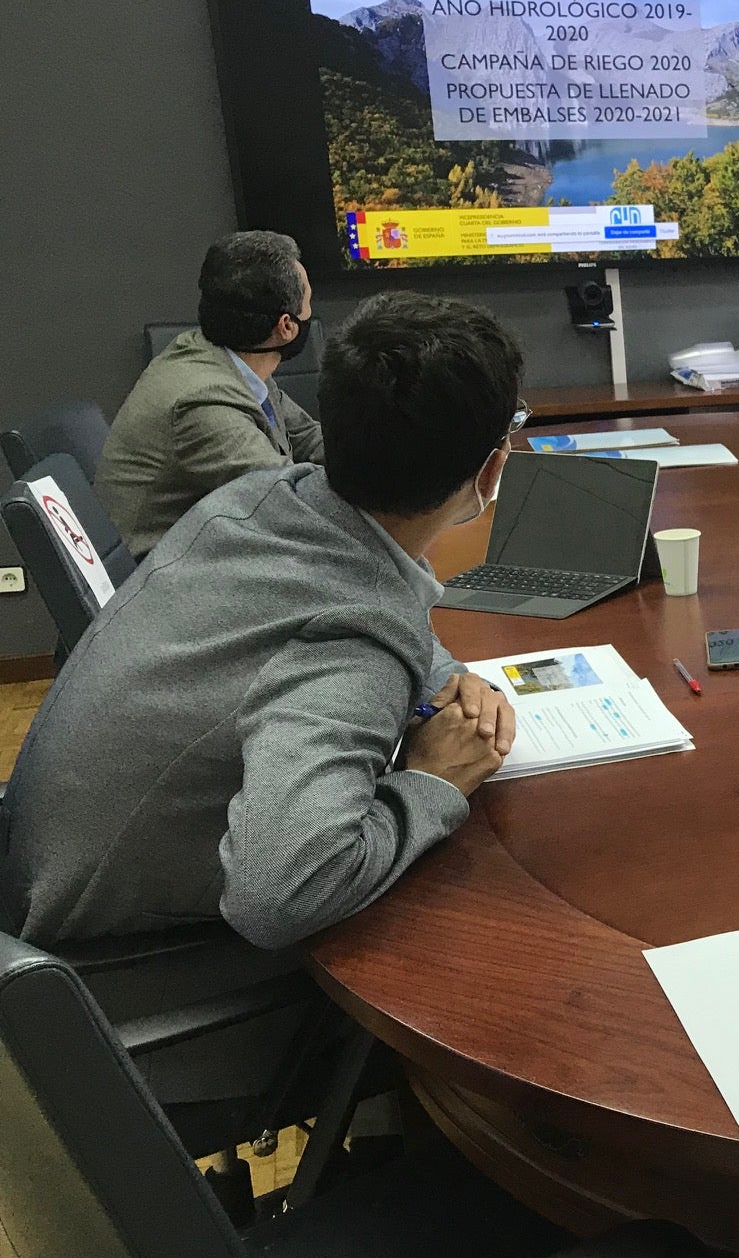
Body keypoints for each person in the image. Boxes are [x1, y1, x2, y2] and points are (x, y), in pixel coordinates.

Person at [3, 291, 525, 954]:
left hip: (45, 877)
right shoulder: (348, 648)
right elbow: (279, 895)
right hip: (110, 967)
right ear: (492, 467)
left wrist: (445, 682)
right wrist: (431, 784)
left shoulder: (259, 500)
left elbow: (361, 604)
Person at [97, 230, 327, 558]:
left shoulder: (229, 359)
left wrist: (388, 462)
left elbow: (307, 439)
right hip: (162, 582)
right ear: (286, 327)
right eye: (308, 301)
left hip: (204, 552)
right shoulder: (203, 401)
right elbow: (288, 503)